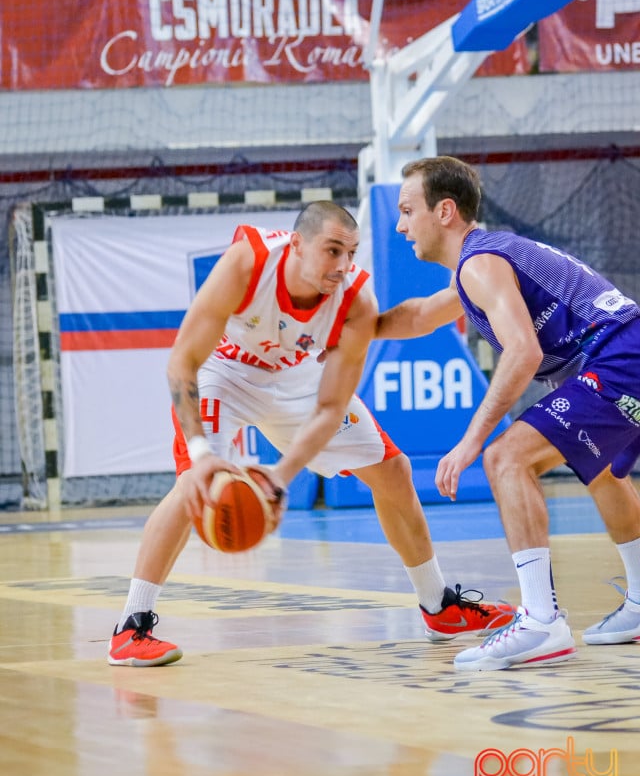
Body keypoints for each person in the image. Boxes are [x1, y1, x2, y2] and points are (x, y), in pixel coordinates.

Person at [108, 201, 512, 666]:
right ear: (297, 245)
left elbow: (329, 407)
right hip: (226, 373)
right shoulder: (248, 262)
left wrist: (280, 476)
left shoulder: (356, 302)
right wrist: (200, 453)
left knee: (393, 470)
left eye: (351, 253)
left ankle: (437, 605)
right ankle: (131, 627)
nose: (342, 265)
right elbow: (182, 360)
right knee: (192, 487)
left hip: (297, 380)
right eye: (332, 250)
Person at [377, 156, 640, 671]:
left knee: (505, 460)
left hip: (620, 356)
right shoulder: (480, 264)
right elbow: (419, 316)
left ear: (445, 211)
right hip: (626, 352)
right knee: (605, 472)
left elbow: (524, 353)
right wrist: (349, 326)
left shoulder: (480, 263)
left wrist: (471, 441)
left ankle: (541, 621)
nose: (400, 225)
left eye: (408, 210)